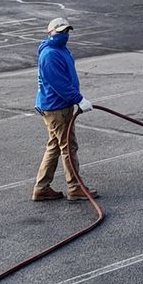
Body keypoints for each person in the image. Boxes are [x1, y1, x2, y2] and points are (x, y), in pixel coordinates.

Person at [31, 18, 96, 202]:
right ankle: (75, 187)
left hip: (58, 105)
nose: (64, 35)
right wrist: (79, 99)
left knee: (55, 146)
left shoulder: (60, 50)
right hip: (57, 108)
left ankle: (42, 188)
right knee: (68, 147)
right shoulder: (50, 54)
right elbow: (59, 83)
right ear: (50, 32)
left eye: (66, 31)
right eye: (60, 31)